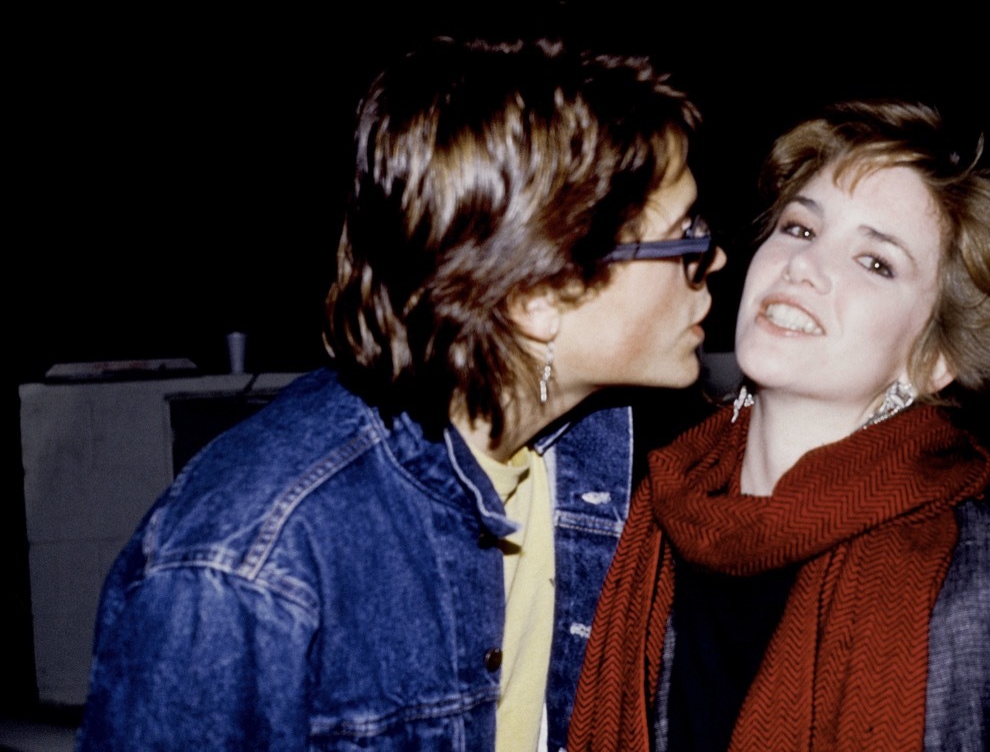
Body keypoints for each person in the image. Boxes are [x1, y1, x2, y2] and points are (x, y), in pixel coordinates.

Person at [78, 37, 726, 750]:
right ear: (542, 295)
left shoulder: (592, 447)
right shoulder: (248, 557)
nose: (714, 256)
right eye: (683, 235)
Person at [568, 100, 990, 750]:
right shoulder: (628, 532)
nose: (802, 266)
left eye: (875, 262)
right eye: (800, 229)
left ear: (935, 360)